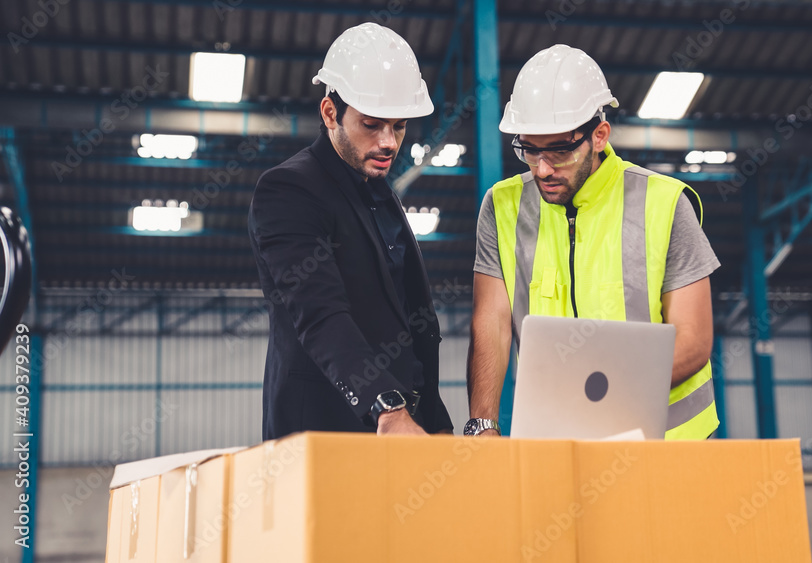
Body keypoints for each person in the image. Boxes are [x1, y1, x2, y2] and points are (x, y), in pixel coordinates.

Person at [464, 45, 720, 440]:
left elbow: (693, 339)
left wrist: (596, 398)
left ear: (599, 136)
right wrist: (482, 426)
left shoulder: (665, 204)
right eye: (529, 150)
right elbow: (492, 323)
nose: (543, 168)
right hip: (554, 445)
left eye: (560, 151)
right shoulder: (502, 207)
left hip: (666, 448)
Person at [248, 23, 452, 439]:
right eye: (372, 124)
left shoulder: (378, 191)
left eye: (399, 126)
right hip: (325, 433)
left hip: (403, 431)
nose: (389, 142)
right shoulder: (288, 190)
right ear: (330, 113)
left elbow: (412, 327)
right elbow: (321, 316)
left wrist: (437, 422)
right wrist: (386, 408)